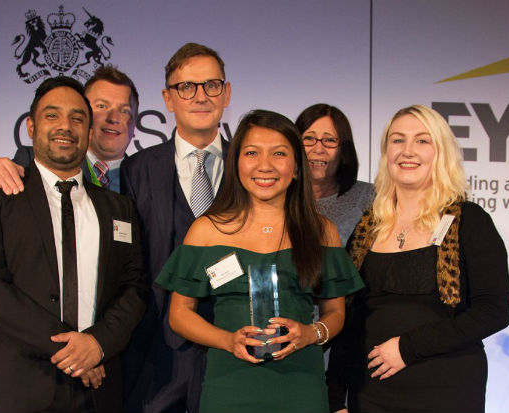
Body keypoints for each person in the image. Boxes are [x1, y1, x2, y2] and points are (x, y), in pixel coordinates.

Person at [0, 76, 147, 412]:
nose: (66, 127)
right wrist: (76, 352)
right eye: (52, 116)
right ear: (30, 126)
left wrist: (98, 345)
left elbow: (134, 290)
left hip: (99, 390)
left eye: (77, 118)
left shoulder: (119, 208)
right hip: (16, 389)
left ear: (89, 131)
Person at [156, 109, 364, 413]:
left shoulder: (322, 231)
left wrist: (311, 333)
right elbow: (179, 315)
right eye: (252, 153)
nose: (264, 165)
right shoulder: (206, 230)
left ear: (296, 167)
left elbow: (335, 312)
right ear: (236, 163)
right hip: (228, 387)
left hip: (302, 388)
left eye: (279, 153)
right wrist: (228, 341)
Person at [326, 104, 509, 412]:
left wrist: (407, 348)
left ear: (441, 152)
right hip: (371, 392)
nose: (407, 151)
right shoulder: (369, 226)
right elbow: (350, 317)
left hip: (446, 390)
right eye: (397, 140)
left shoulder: (469, 220)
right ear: (386, 152)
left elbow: (493, 310)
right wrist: (335, 399)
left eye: (422, 140)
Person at [119, 42, 231, 412]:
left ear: (226, 93)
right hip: (159, 354)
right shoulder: (138, 169)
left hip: (234, 344)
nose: (200, 96)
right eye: (187, 87)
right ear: (168, 98)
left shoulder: (251, 166)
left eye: (211, 85)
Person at [0, 64, 138, 223]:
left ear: (134, 123)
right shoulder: (30, 159)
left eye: (124, 110)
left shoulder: (145, 177)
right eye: (101, 106)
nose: (112, 118)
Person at [295, 104, 374, 246]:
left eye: (330, 140)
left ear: (343, 149)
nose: (318, 149)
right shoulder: (279, 198)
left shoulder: (371, 197)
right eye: (308, 138)